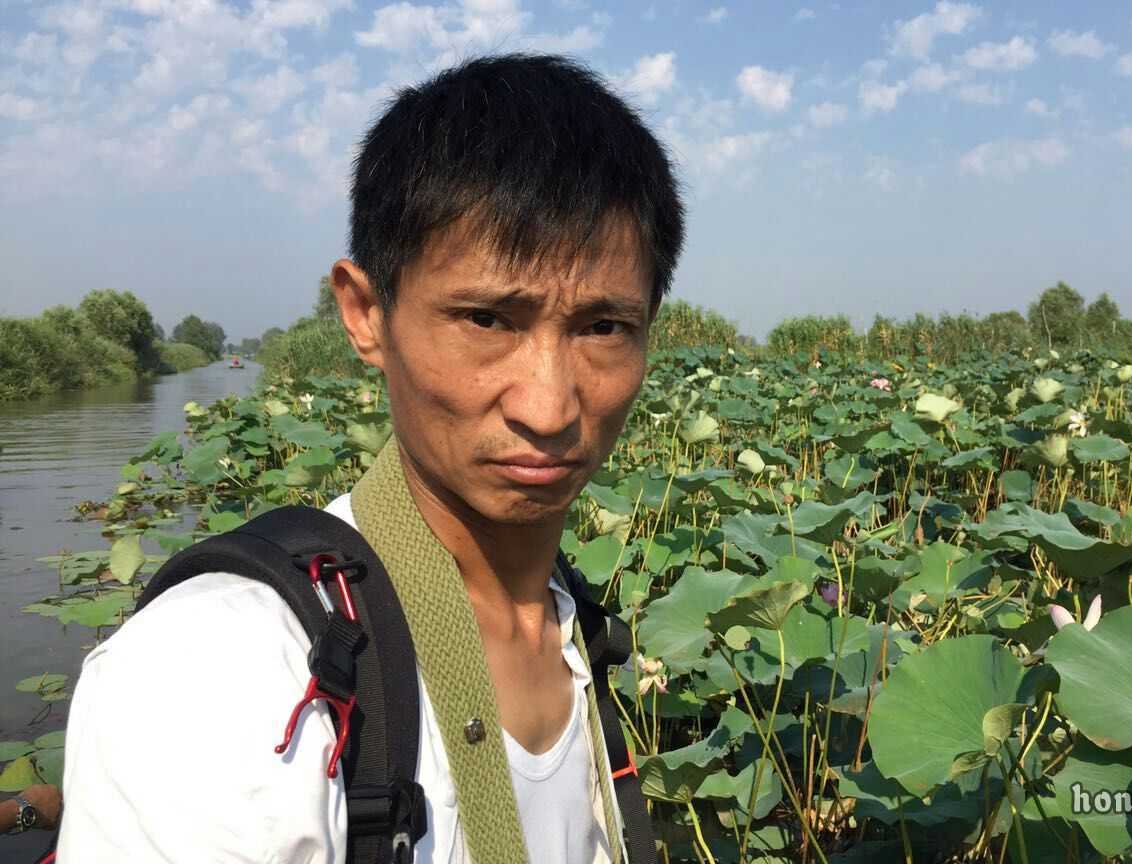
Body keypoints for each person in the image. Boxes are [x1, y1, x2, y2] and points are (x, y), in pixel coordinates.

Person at [55, 53, 685, 862]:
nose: (549, 407)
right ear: (364, 314)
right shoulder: (216, 675)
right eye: (487, 320)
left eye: (603, 327)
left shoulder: (581, 630)